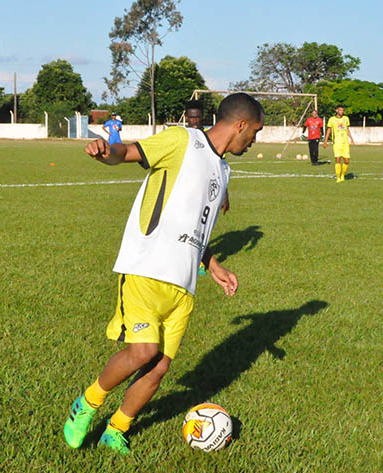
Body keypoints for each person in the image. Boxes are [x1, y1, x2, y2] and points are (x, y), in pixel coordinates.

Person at [63, 93, 264, 454]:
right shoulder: (181, 140)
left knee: (158, 368)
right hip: (146, 268)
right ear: (241, 125)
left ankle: (117, 429)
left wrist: (213, 265)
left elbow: (196, 228)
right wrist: (104, 151)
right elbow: (126, 153)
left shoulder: (224, 170)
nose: (254, 141)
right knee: (143, 352)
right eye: (256, 132)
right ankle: (87, 403)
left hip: (183, 284)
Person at [185, 100, 229, 215]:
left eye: (197, 117)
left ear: (202, 117)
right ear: (186, 117)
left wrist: (225, 195)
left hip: (205, 191)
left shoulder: (211, 137)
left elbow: (220, 168)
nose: (194, 120)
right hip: (185, 188)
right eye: (191, 117)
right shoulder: (181, 136)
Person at [324, 106, 355, 182]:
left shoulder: (346, 118)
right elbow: (329, 130)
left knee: (347, 160)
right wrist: (325, 141)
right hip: (337, 143)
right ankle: (338, 177)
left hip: (345, 143)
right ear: (336, 110)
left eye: (342, 110)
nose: (341, 111)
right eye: (340, 110)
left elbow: (347, 129)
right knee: (337, 159)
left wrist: (351, 138)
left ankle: (342, 174)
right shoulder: (332, 119)